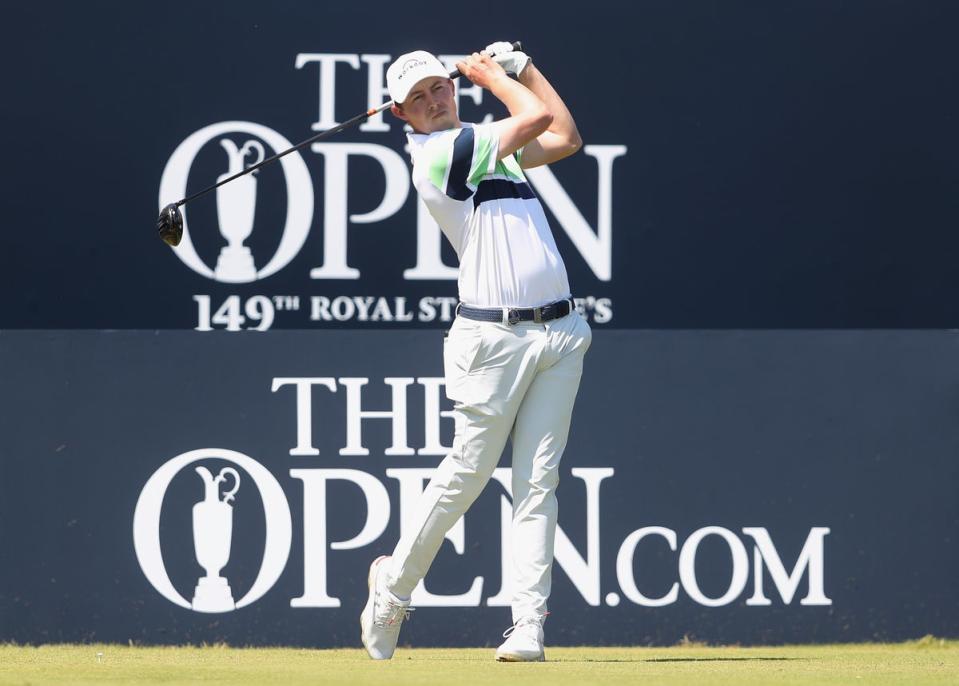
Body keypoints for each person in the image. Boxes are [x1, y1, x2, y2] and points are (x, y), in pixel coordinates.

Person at [360, 41, 592, 662]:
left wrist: (527, 69)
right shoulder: (438, 154)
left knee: (538, 481)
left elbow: (565, 137)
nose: (435, 101)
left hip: (561, 332)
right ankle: (393, 588)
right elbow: (535, 119)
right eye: (418, 98)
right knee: (467, 474)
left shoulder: (495, 150)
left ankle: (528, 625)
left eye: (439, 88)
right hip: (491, 340)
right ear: (400, 116)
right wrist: (497, 76)